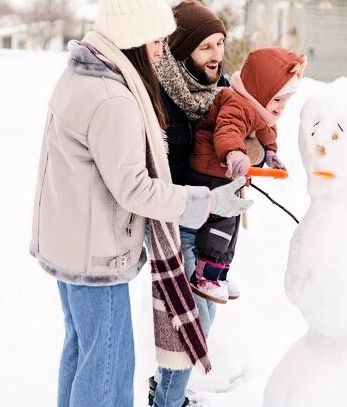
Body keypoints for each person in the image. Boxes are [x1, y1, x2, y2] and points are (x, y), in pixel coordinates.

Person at [28, 0, 253, 406]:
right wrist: (205, 201)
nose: (159, 50)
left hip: (72, 245)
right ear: (132, 40)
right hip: (96, 254)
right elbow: (134, 189)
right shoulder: (113, 98)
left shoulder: (81, 74)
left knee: (84, 353)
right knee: (108, 369)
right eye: (154, 40)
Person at [148, 1, 230, 406]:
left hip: (215, 222)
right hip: (176, 222)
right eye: (205, 47)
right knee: (193, 318)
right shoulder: (158, 98)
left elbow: (246, 135)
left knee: (201, 316)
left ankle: (163, 387)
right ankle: (168, 400)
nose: (216, 55)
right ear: (182, 53)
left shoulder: (223, 90)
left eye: (220, 43)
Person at [188, 46, 307, 304]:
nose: (281, 107)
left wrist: (271, 154)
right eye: (277, 100)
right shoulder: (236, 103)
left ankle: (219, 273)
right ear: (259, 91)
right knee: (221, 223)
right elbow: (228, 130)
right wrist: (234, 153)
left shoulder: (257, 109)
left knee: (231, 226)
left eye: (285, 101)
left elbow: (266, 132)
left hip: (224, 172)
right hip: (210, 169)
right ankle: (206, 275)